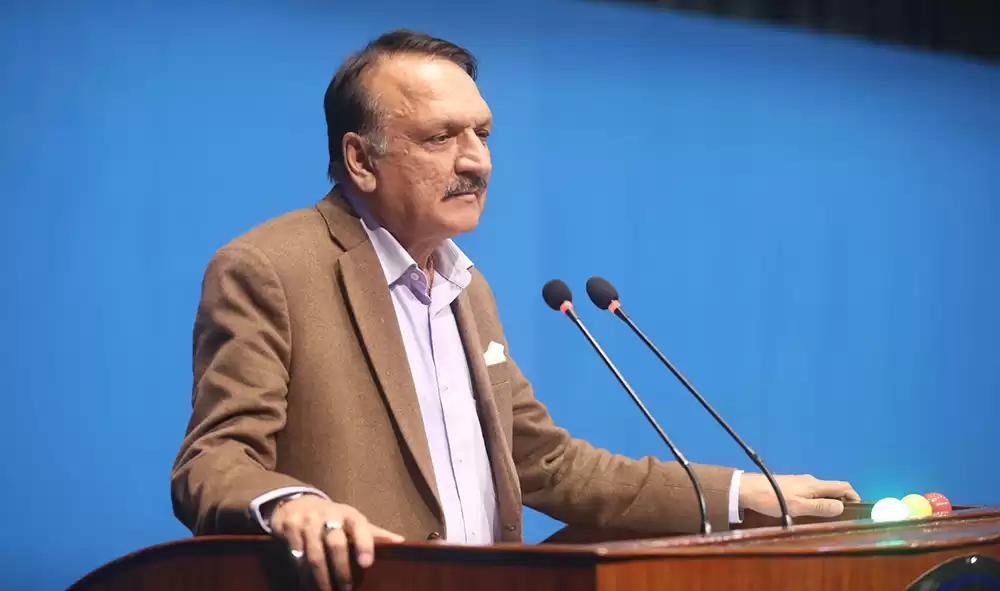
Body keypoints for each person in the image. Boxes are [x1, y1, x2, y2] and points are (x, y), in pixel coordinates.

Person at [171, 29, 860, 591]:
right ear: (360, 159)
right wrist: (295, 504)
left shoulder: (467, 288)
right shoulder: (273, 268)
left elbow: (547, 463)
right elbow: (214, 458)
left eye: (483, 134)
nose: (478, 162)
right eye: (442, 138)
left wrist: (738, 493)